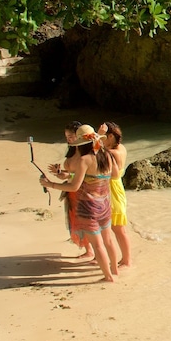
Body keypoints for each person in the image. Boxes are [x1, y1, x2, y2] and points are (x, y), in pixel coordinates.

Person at [41, 124, 118, 282]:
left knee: (97, 245)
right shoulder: (107, 155)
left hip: (88, 209)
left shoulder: (84, 160)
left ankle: (108, 277)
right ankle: (115, 271)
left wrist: (50, 185)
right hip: (105, 205)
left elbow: (74, 186)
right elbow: (115, 176)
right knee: (108, 240)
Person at [48, 122, 94, 262]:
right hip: (73, 191)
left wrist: (56, 182)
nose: (69, 139)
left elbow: (85, 176)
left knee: (88, 223)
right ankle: (89, 250)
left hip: (84, 192)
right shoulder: (73, 152)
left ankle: (94, 251)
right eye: (66, 137)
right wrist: (60, 173)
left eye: (71, 136)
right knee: (77, 221)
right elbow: (71, 175)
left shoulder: (85, 155)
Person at [99, 121, 132, 267]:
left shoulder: (111, 153)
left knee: (118, 228)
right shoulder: (122, 148)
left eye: (104, 137)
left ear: (110, 136)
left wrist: (97, 136)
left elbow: (92, 151)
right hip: (117, 188)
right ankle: (126, 259)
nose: (101, 140)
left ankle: (126, 260)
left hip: (112, 191)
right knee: (118, 228)